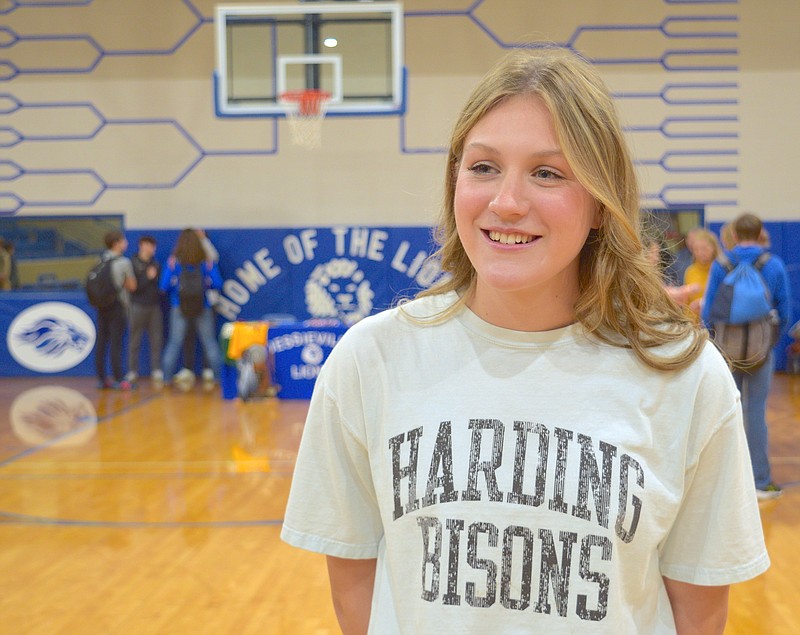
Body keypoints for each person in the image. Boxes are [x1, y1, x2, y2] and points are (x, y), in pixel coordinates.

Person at [281, 47, 769, 634]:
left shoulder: (686, 378)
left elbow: (699, 609)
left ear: (598, 204)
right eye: (483, 166)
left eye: (548, 172)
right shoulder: (370, 361)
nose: (506, 202)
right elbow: (355, 583)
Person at [701, 212, 792, 500]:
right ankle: (761, 482)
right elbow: (786, 310)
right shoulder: (773, 264)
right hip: (761, 350)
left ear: (735, 234)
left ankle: (727, 484)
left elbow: (708, 312)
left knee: (727, 412)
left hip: (727, 350)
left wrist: (717, 346)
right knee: (755, 411)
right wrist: (770, 342)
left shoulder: (721, 264)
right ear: (760, 232)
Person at [160, 228, 223, 390]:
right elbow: (218, 283)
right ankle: (218, 379)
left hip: (178, 305)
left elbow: (163, 285)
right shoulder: (206, 262)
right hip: (203, 306)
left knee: (174, 342)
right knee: (210, 343)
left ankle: (166, 380)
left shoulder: (174, 262)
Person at [95, 230, 136, 390]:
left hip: (102, 306)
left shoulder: (100, 260)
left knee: (102, 342)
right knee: (116, 343)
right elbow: (132, 286)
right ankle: (120, 379)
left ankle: (102, 379)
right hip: (117, 306)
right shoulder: (124, 262)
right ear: (117, 243)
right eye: (123, 240)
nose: (126, 243)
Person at [180, 228, 220, 390]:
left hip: (200, 303)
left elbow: (215, 269)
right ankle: (198, 371)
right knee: (190, 338)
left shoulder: (206, 257)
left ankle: (212, 372)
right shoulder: (179, 258)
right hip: (186, 304)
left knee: (206, 340)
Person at [127, 236, 164, 388]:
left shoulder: (155, 264)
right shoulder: (132, 264)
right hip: (137, 305)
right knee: (134, 339)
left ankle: (156, 369)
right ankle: (132, 371)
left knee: (156, 339)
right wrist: (147, 278)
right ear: (142, 246)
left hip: (154, 306)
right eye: (149, 245)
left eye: (153, 246)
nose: (151, 249)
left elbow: (160, 286)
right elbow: (133, 287)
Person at [683, 229, 720, 318]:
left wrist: (703, 303)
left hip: (716, 322)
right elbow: (686, 304)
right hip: (695, 325)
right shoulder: (690, 271)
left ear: (714, 248)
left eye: (704, 248)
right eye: (696, 249)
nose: (700, 253)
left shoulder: (720, 270)